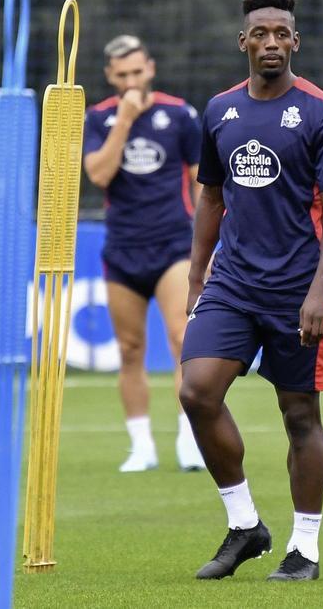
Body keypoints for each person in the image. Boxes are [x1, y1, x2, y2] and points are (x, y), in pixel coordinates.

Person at [179, 0, 323, 582]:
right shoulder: (219, 110)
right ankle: (245, 525)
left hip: (296, 288)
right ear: (244, 42)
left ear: (295, 41)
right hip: (232, 281)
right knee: (196, 392)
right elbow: (210, 197)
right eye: (261, 33)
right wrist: (197, 274)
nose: (272, 42)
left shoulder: (321, 112)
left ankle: (304, 549)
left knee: (299, 415)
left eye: (282, 33)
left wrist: (320, 288)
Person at [82, 35, 206, 473]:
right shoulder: (97, 119)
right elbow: (98, 174)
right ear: (110, 77)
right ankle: (141, 445)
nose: (132, 80)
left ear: (150, 68)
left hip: (174, 244)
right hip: (122, 249)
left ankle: (190, 440)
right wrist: (125, 120)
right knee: (130, 348)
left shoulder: (179, 115)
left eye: (138, 71)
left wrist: (204, 243)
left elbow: (201, 180)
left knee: (181, 340)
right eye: (122, 75)